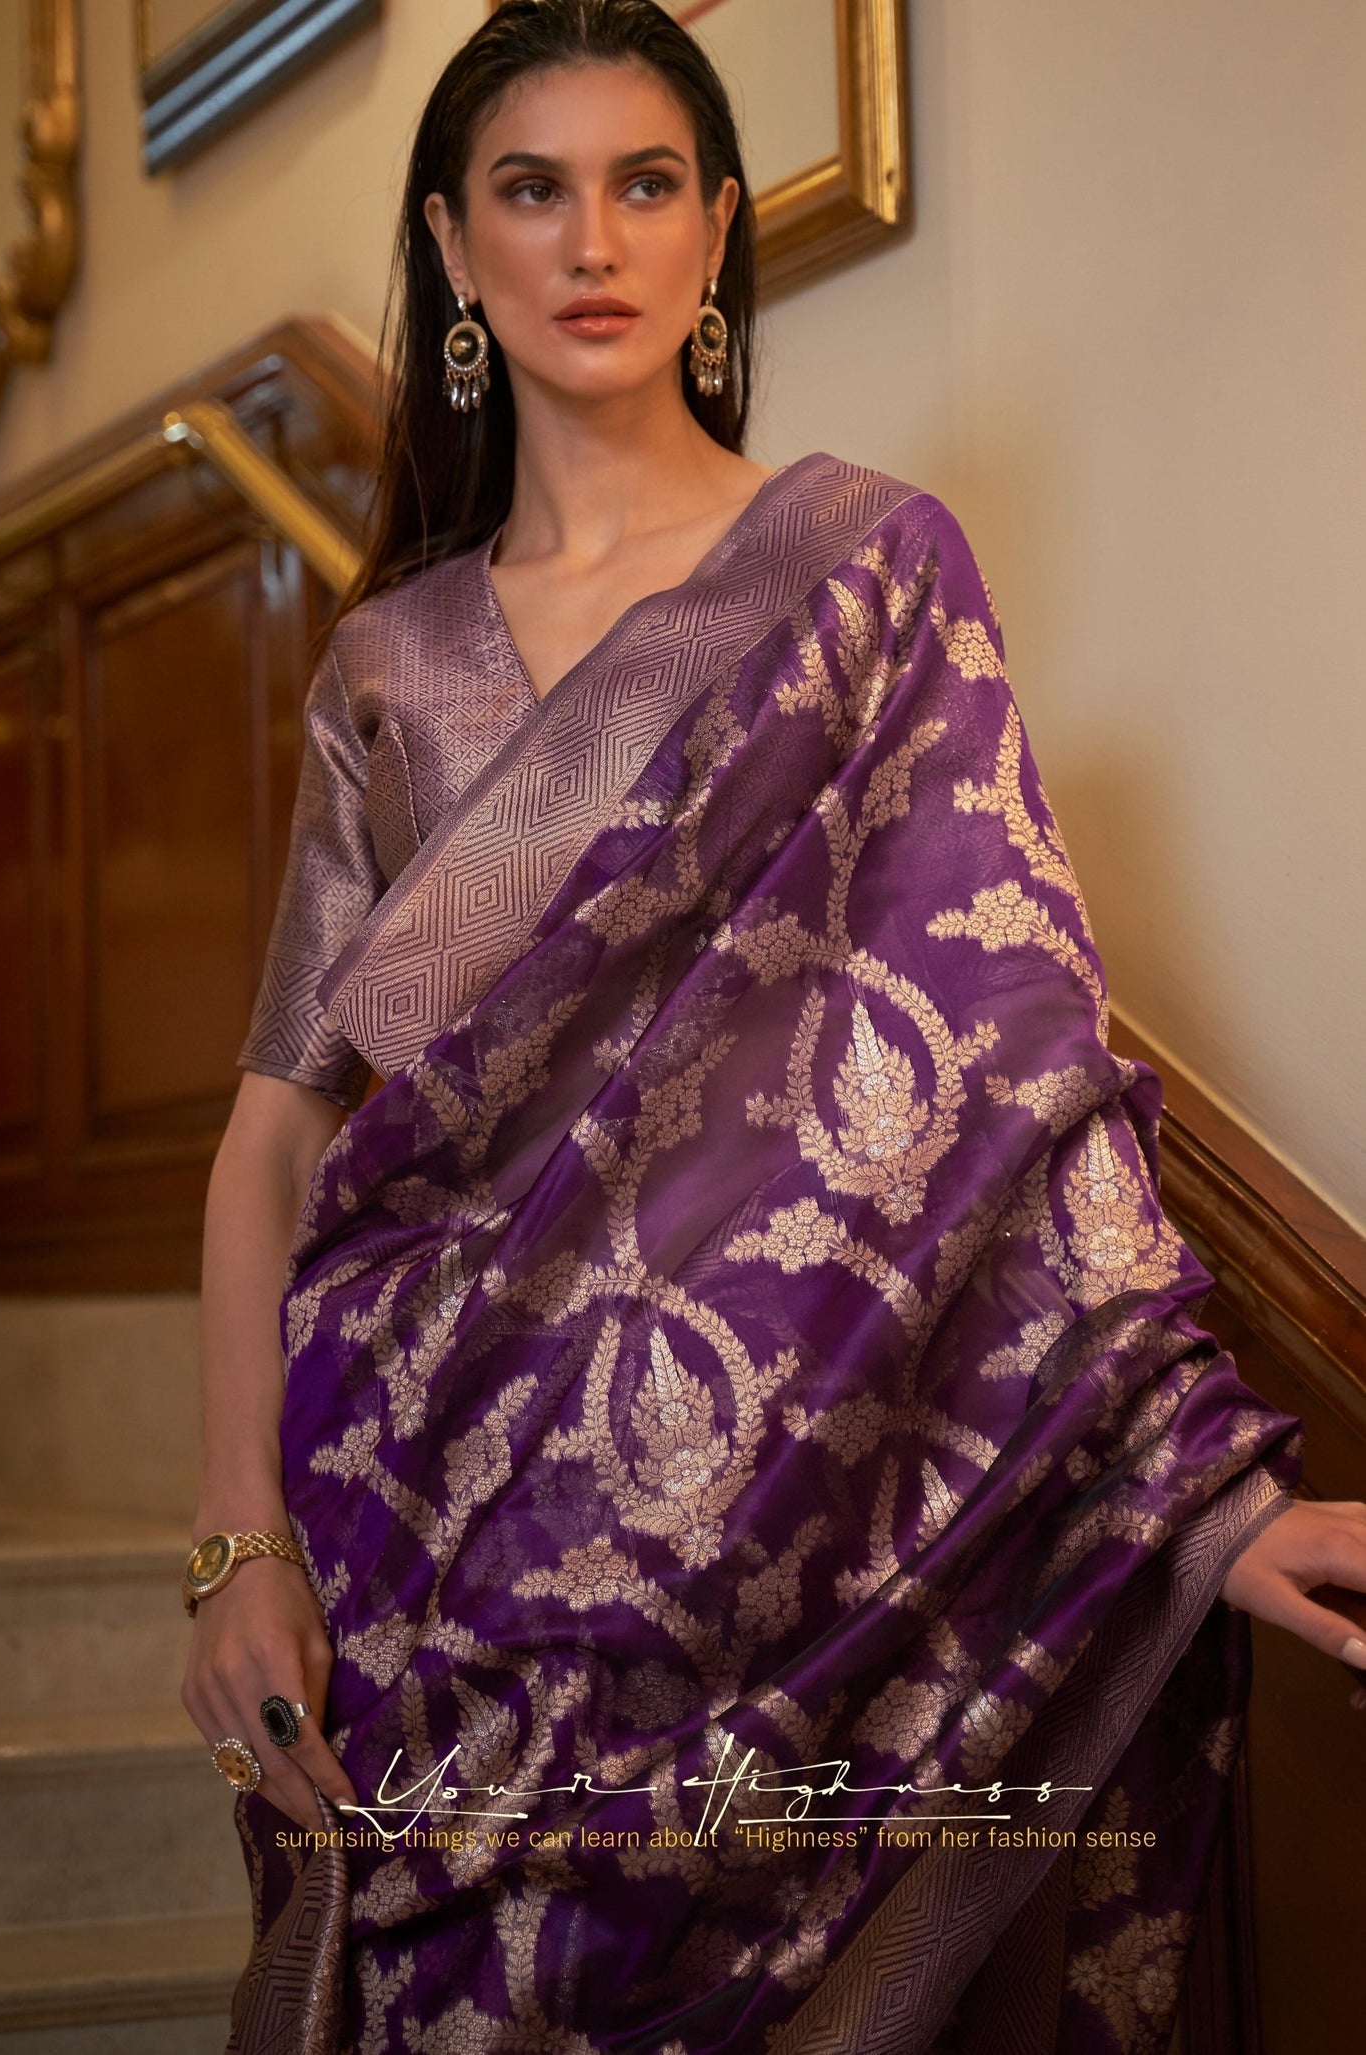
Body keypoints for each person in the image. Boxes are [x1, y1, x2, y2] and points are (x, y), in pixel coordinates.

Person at [180, 3, 1366, 2050]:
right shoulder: (390, 661)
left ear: (719, 228)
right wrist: (230, 1540)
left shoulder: (877, 578)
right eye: (531, 193)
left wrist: (1209, 1495)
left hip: (812, 1552)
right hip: (442, 1550)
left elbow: (1015, 1058)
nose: (591, 241)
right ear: (455, 254)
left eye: (645, 184)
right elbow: (281, 1132)